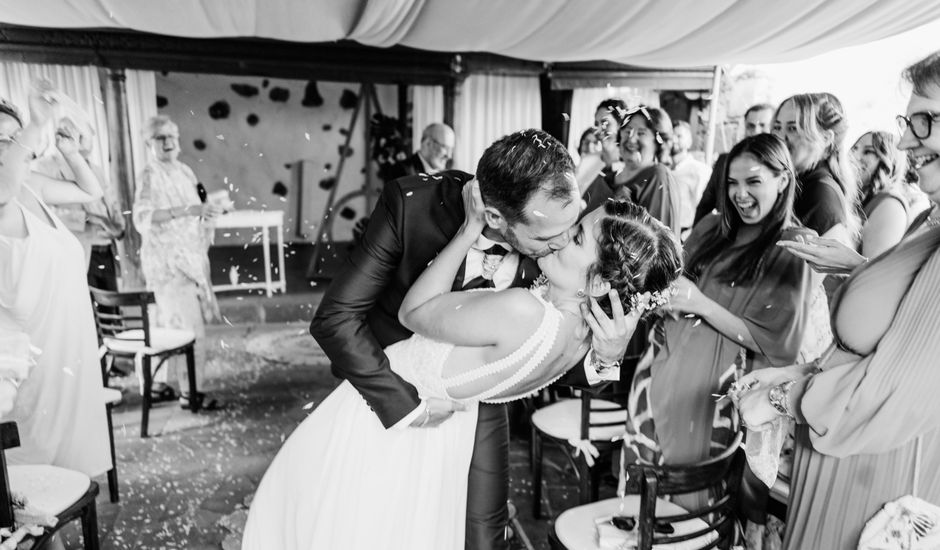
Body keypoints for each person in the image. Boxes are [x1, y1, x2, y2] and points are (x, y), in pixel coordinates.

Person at [243, 189, 682, 549]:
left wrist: (468, 229)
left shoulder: (524, 309)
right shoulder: (583, 333)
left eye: (579, 236)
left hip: (384, 430)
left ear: (601, 282)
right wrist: (608, 357)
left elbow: (415, 313)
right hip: (427, 429)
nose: (562, 233)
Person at [303, 129, 637, 550]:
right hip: (391, 385)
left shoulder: (559, 230)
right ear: (496, 218)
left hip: (482, 400)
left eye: (572, 231)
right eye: (549, 238)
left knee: (483, 533)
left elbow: (551, 346)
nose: (563, 244)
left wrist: (606, 358)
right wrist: (406, 404)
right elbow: (335, 319)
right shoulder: (411, 206)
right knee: (375, 526)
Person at [736, 50, 940, 550]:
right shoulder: (932, 220)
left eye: (925, 119)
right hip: (849, 450)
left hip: (867, 467)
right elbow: (907, 311)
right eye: (908, 120)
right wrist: (856, 268)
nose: (909, 137)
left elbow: (892, 393)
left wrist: (788, 392)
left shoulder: (841, 195)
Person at [625, 133, 813, 474]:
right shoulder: (712, 227)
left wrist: (701, 304)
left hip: (717, 391)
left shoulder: (794, 246)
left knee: (692, 501)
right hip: (661, 366)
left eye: (754, 181)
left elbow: (778, 344)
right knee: (643, 489)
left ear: (783, 179)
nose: (740, 194)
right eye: (732, 183)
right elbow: (675, 282)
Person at [0, 83, 111, 480]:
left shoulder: (31, 186)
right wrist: (35, 124)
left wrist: (69, 151)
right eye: (2, 140)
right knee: (36, 475)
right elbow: (4, 187)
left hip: (67, 350)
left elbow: (91, 190)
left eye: (13, 138)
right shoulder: (2, 194)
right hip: (31, 360)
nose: (13, 146)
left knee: (70, 472)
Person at [132, 114, 222, 409]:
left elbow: (197, 207)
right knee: (187, 329)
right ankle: (190, 392)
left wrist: (207, 212)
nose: (169, 142)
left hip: (189, 258)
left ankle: (157, 386)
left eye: (172, 136)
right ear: (149, 143)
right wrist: (186, 210)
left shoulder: (184, 171)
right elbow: (142, 217)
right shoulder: (150, 174)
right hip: (168, 265)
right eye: (161, 138)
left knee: (168, 324)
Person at [694, 103, 774, 226]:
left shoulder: (782, 167)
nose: (756, 131)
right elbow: (705, 207)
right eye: (751, 126)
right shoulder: (724, 162)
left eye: (763, 125)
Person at [671, 120, 711, 236]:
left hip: (686, 236)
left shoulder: (699, 170)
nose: (674, 140)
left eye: (679, 136)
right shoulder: (664, 170)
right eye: (671, 136)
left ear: (689, 142)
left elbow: (705, 209)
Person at [387, 122, 456, 179]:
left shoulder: (447, 177)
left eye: (451, 149)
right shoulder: (401, 172)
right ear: (428, 143)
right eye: (445, 147)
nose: (449, 156)